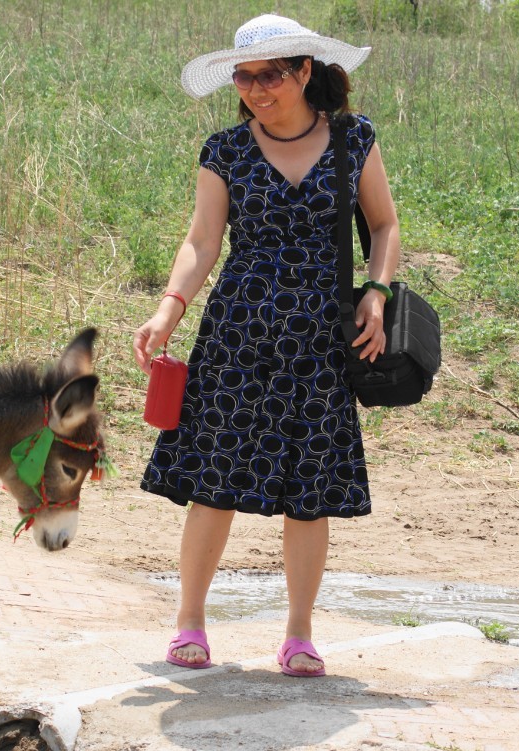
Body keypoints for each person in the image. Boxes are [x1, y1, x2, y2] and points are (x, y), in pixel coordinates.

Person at [132, 14, 401, 677]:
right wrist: (168, 309)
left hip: (320, 345)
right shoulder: (223, 150)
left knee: (310, 491)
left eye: (269, 75)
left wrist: (378, 289)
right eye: (243, 77)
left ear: (305, 71)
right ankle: (189, 622)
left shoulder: (352, 139)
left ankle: (300, 634)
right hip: (236, 339)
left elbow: (385, 224)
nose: (254, 89)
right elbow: (201, 242)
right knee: (214, 483)